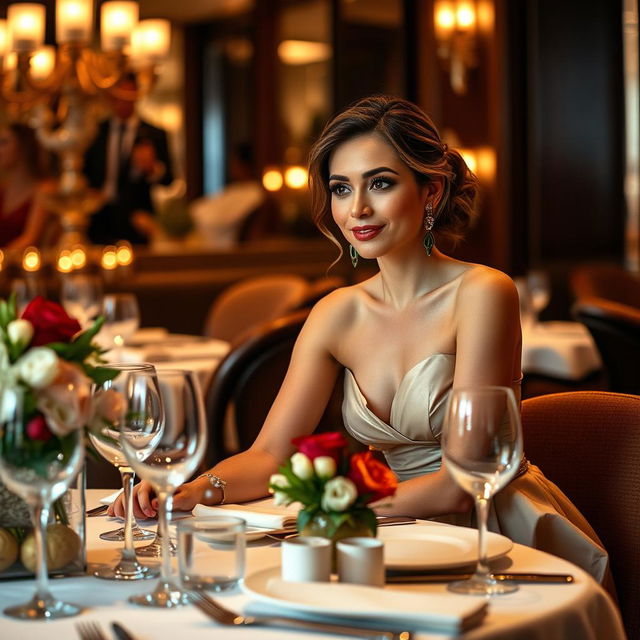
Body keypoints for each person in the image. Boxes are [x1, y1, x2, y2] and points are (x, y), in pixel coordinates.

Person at [111, 95, 609, 583]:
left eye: (381, 183)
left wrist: (332, 509)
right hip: (389, 532)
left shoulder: (483, 293)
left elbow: (463, 482)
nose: (359, 209)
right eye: (342, 189)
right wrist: (193, 488)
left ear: (431, 191)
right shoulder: (336, 313)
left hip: (492, 534)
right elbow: (268, 456)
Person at [84, 77, 173, 245]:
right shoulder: (95, 131)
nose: (124, 101)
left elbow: (169, 179)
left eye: (129, 96)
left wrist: (152, 168)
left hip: (137, 217)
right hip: (98, 217)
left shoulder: (154, 134)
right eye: (119, 96)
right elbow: (85, 171)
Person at [0, 123, 53, 252]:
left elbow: (31, 239)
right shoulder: (3, 189)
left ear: (24, 147)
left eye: (3, 142)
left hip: (19, 266)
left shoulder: (45, 190)